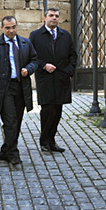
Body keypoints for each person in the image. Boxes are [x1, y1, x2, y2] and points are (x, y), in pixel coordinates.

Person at [0, 16, 38, 166]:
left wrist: (29, 69)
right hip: (3, 89)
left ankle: (5, 150)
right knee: (10, 121)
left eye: (13, 27)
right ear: (2, 28)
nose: (11, 30)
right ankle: (13, 154)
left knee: (17, 122)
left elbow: (35, 60)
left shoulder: (25, 43)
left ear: (17, 26)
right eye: (7, 28)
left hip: (21, 87)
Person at [29, 8, 77, 153]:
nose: (54, 18)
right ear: (45, 18)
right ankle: (44, 141)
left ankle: (52, 140)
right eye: (51, 16)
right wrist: (43, 65)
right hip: (45, 79)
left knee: (57, 111)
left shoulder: (65, 35)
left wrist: (69, 70)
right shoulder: (36, 35)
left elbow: (73, 55)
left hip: (62, 79)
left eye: (56, 16)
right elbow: (31, 57)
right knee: (47, 110)